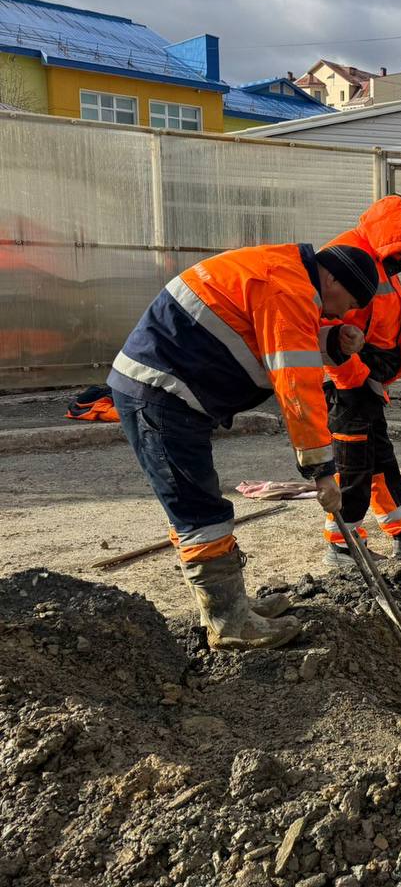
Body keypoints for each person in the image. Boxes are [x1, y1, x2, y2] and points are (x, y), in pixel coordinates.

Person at [107, 239, 380, 650]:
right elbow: (295, 384)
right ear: (333, 279)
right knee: (199, 509)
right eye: (348, 302)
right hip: (160, 393)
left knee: (197, 505)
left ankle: (232, 606)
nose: (343, 313)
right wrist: (321, 470)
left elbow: (264, 339)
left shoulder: (286, 274)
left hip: (165, 389)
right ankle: (229, 622)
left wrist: (333, 342)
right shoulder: (287, 286)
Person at [319, 195, 401, 566]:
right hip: (346, 379)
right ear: (388, 236)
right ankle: (342, 545)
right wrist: (356, 378)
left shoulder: (377, 259)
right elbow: (327, 332)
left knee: (377, 454)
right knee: (353, 460)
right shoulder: (345, 257)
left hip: (366, 376)